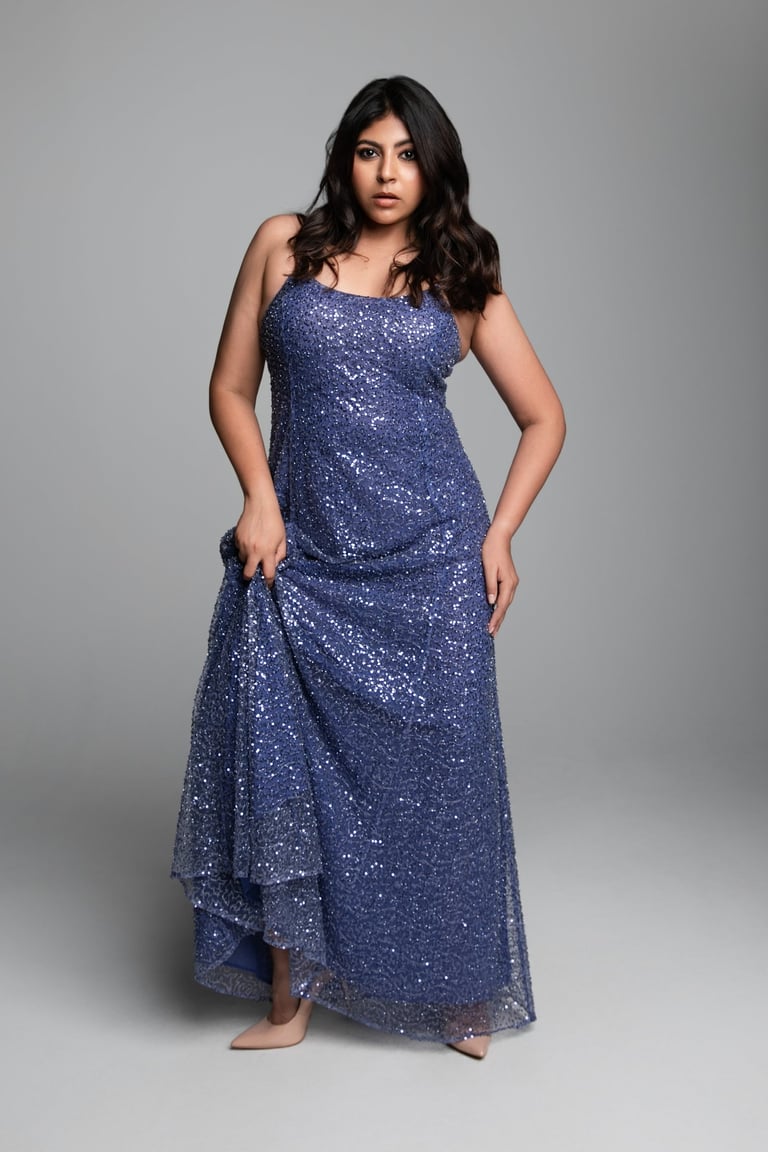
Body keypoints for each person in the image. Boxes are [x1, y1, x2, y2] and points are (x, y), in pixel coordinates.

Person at [171, 75, 565, 1060]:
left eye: (408, 155)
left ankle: (459, 994)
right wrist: (260, 496)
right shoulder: (282, 245)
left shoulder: (460, 272)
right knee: (283, 766)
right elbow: (229, 389)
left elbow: (543, 417)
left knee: (443, 779)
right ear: (344, 160)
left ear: (435, 168)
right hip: (301, 558)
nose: (388, 173)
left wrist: (500, 534)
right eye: (369, 151)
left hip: (431, 561)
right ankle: (290, 996)